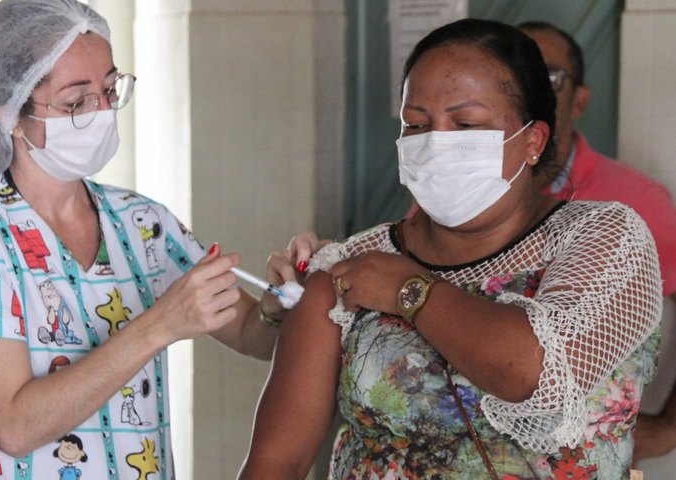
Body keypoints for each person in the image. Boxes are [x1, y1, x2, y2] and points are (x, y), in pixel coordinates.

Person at [239, 18, 662, 479]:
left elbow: (533, 373)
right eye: (417, 124)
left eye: (466, 123)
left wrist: (409, 288)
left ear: (533, 142)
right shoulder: (347, 270)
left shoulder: (604, 238)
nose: (437, 143)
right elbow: (276, 463)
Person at [0, 1, 314, 478]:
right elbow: (15, 427)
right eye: (76, 102)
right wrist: (161, 325)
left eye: (109, 90)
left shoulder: (143, 222)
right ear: (11, 115)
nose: (103, 113)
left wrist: (282, 304)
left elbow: (253, 336)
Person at [516, 21, 676, 464]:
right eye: (511, 71)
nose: (528, 88)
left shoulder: (638, 201)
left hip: (588, 461)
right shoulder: (460, 198)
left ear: (579, 99)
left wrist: (669, 426)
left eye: (547, 75)